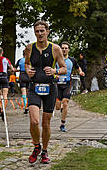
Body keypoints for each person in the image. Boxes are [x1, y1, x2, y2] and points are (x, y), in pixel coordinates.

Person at [24, 20, 67, 164]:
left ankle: (45, 151)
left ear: (47, 32)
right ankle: (36, 146)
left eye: (42, 31)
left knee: (46, 123)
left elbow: (64, 69)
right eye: (37, 31)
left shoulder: (55, 49)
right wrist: (28, 70)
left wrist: (55, 71)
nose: (40, 34)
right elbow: (26, 63)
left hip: (50, 88)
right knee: (34, 121)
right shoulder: (30, 48)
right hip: (34, 87)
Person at [56, 42, 84, 132]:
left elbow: (78, 67)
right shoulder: (56, 59)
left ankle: (62, 124)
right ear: (60, 49)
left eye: (66, 48)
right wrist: (54, 75)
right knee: (57, 106)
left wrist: (80, 72)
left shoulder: (72, 60)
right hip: (57, 84)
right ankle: (62, 109)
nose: (64, 50)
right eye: (62, 48)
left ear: (68, 50)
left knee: (65, 102)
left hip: (68, 83)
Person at [0, 47, 15, 119]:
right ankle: (3, 109)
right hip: (4, 77)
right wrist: (11, 70)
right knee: (5, 95)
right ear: (2, 52)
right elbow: (12, 69)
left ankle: (0, 109)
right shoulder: (6, 59)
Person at [15, 50, 30, 114]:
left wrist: (19, 70)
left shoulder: (20, 60)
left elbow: (14, 69)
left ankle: (26, 107)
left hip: (22, 76)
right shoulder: (30, 60)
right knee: (29, 92)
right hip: (29, 76)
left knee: (23, 92)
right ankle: (29, 106)